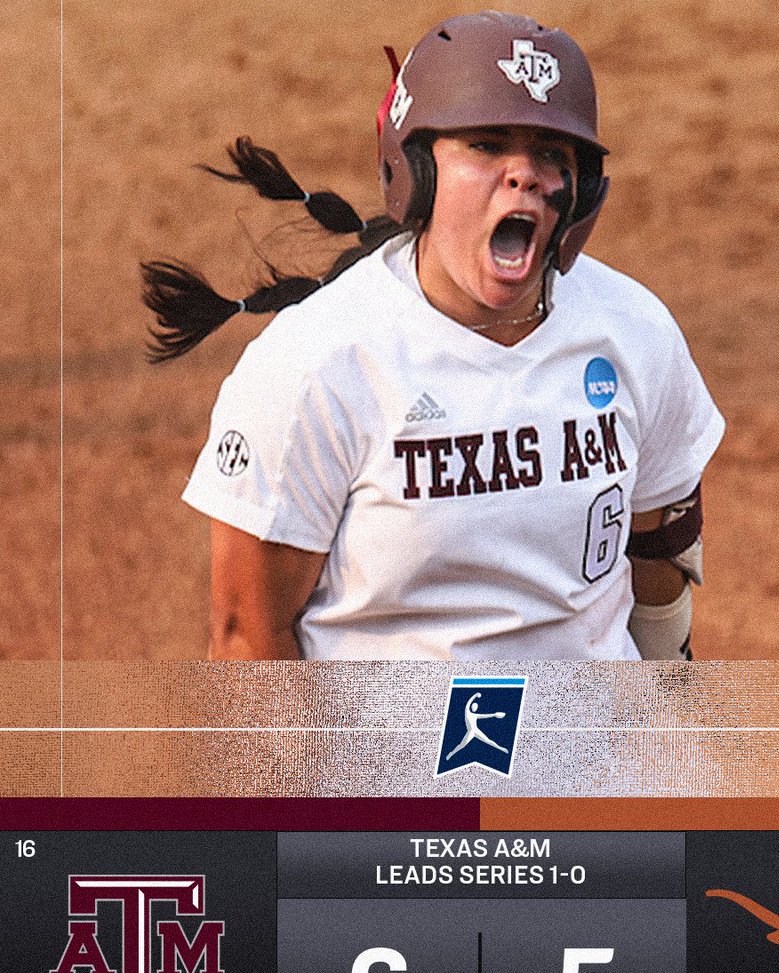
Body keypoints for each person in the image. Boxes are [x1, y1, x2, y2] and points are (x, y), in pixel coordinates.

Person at [143, 11, 724, 661]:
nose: (523, 173)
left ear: (583, 190)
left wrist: (665, 713)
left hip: (591, 756)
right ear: (414, 168)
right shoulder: (316, 366)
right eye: (486, 145)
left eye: (551, 154)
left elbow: (661, 551)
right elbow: (248, 635)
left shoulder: (634, 331)